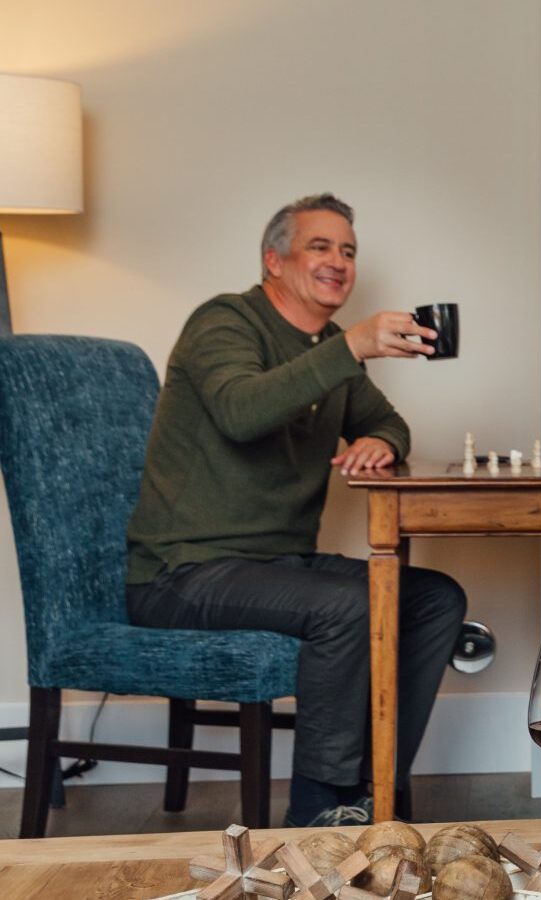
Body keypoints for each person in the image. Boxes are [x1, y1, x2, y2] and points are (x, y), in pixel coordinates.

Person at [125, 193, 467, 828]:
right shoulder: (224, 322)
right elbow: (241, 411)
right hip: (183, 572)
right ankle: (318, 809)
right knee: (349, 605)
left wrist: (378, 440)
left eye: (348, 251)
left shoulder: (330, 347)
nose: (339, 261)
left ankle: (375, 788)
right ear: (274, 261)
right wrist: (353, 347)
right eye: (321, 246)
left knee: (434, 597)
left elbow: (390, 422)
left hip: (279, 566)